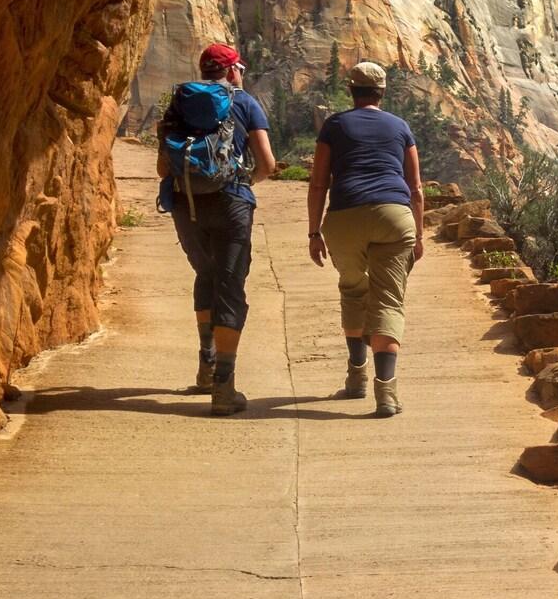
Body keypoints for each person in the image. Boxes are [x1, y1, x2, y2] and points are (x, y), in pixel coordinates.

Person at [156, 42, 277, 415]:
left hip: (186, 204)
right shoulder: (244, 102)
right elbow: (267, 163)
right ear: (232, 70)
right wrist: (244, 184)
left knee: (205, 275)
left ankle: (205, 367)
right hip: (231, 203)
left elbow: (164, 169)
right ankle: (224, 387)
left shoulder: (180, 103)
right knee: (230, 287)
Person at [306, 60, 425, 417]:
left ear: (351, 91)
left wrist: (314, 232)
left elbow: (318, 183)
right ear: (382, 91)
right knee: (388, 301)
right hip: (393, 216)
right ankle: (385, 393)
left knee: (354, 289)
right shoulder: (400, 127)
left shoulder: (335, 125)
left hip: (344, 217)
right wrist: (418, 234)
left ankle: (356, 377)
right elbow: (416, 187)